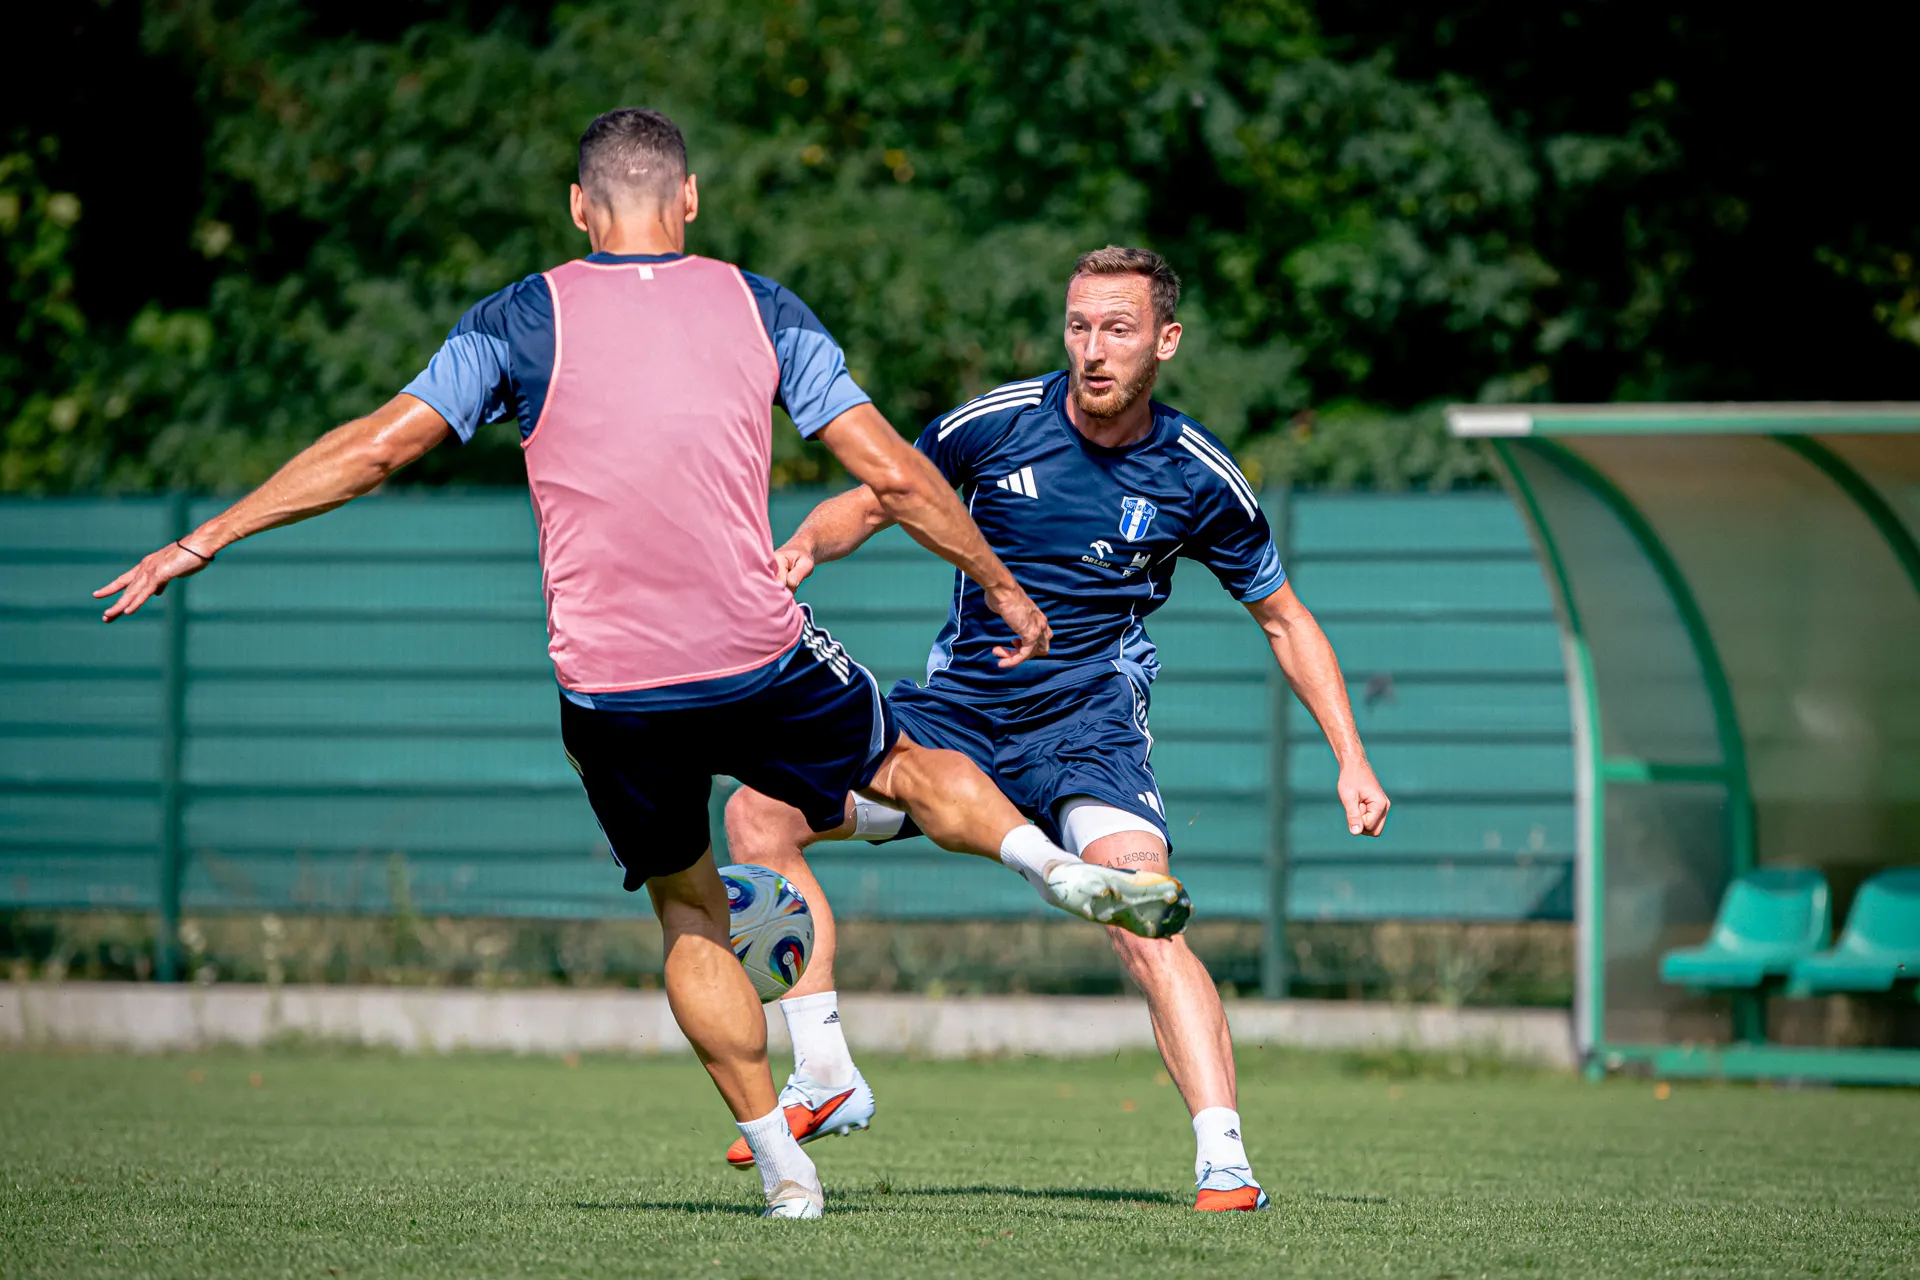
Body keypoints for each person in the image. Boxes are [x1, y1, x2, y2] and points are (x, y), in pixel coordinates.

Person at [93, 117, 1191, 1219]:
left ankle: (784, 1169)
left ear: (579, 207)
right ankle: (1048, 866)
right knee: (900, 759)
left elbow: (379, 448)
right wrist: (1000, 584)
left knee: (690, 910)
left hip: (611, 689)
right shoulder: (760, 306)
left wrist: (206, 536)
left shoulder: (518, 318)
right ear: (691, 198)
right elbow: (897, 476)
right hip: (755, 653)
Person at [723, 246, 1391, 1211]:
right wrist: (801, 548)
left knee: (1144, 914)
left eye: (1118, 329)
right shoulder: (994, 425)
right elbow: (876, 498)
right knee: (759, 815)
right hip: (953, 721)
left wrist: (1350, 758)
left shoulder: (1197, 474)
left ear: (1165, 340)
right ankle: (824, 1071)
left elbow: (1285, 620)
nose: (1093, 349)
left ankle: (1225, 1162)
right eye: (1079, 326)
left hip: (1088, 733)